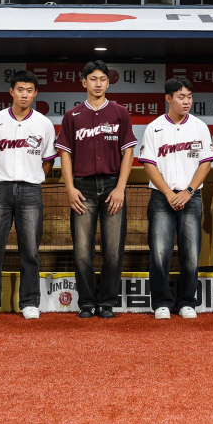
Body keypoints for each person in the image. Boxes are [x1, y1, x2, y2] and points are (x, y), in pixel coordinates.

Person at [56, 60, 137, 318]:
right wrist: (69, 188)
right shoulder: (73, 115)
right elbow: (64, 154)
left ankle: (108, 302)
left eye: (102, 79)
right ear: (84, 82)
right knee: (82, 251)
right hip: (83, 188)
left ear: (108, 82)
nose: (98, 83)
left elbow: (128, 152)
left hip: (113, 185)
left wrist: (121, 188)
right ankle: (87, 302)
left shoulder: (120, 113)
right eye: (93, 79)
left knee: (113, 250)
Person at [0, 70, 56, 321]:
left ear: (35, 93)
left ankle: (30, 301)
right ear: (11, 92)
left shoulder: (44, 123)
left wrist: (31, 175)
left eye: (29, 90)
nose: (25, 94)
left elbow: (47, 162)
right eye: (20, 89)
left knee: (30, 250)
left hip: (31, 189)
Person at [139, 76, 213, 320]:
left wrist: (188, 191)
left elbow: (206, 163)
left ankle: (187, 302)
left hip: (191, 196)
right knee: (160, 251)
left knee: (190, 252)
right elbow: (149, 165)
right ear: (168, 98)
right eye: (181, 97)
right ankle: (161, 301)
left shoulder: (200, 126)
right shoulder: (154, 127)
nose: (187, 101)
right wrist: (169, 193)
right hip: (162, 197)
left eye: (190, 97)